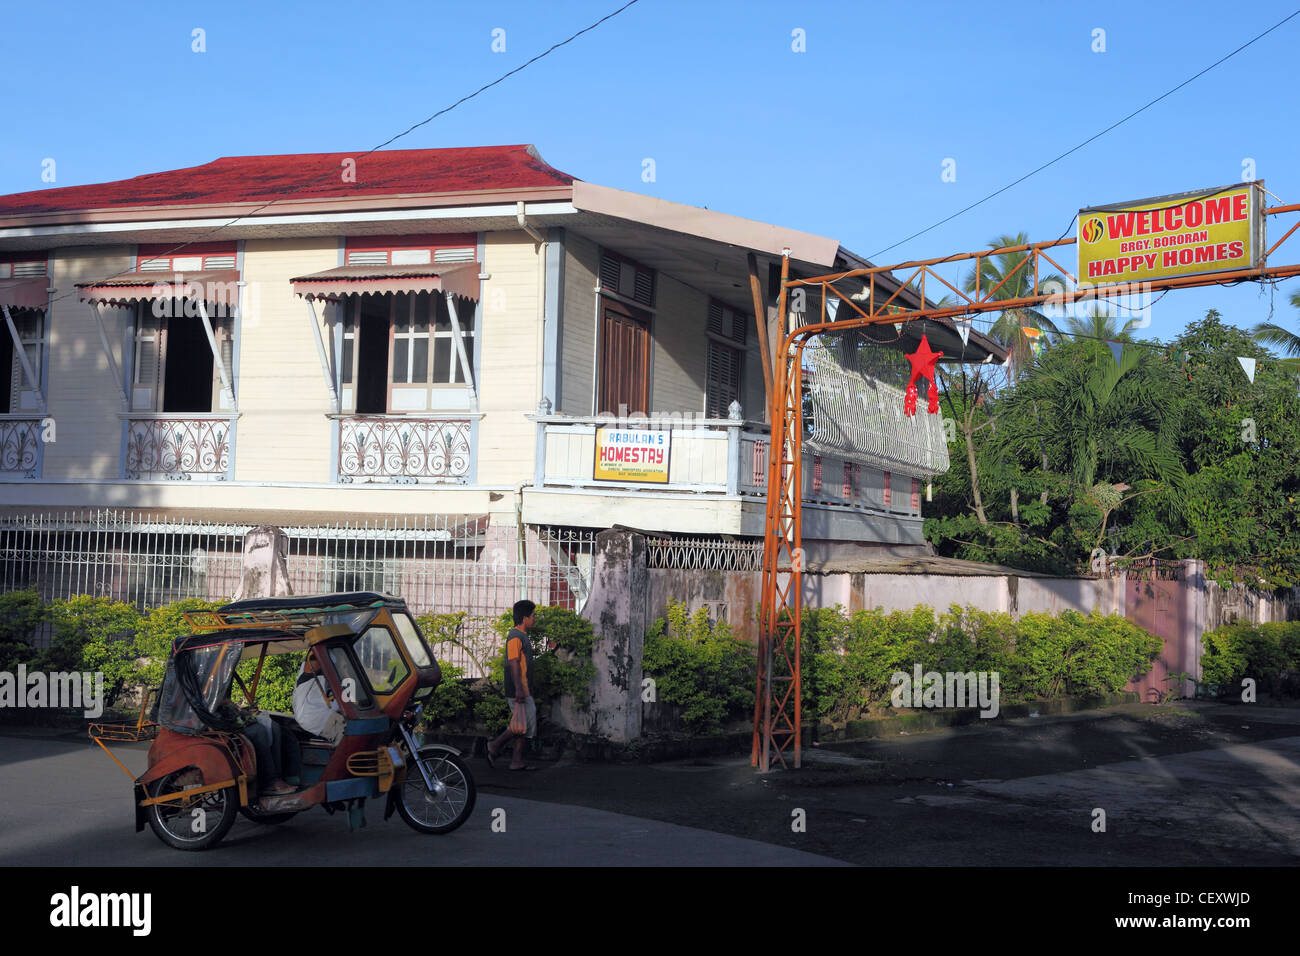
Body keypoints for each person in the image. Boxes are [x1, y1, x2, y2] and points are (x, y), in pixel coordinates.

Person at [486, 599, 538, 771]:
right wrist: (518, 689)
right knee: (523, 725)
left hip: (524, 688)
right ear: (524, 618)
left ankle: (516, 760)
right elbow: (513, 663)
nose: (534, 619)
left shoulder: (521, 636)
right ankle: (495, 745)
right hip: (519, 689)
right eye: (533, 616)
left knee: (522, 724)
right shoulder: (515, 637)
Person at [216, 696, 295, 796]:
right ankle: (270, 780)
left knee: (274, 727)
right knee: (259, 731)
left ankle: (277, 777)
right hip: (221, 724)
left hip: (230, 717)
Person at [293, 651, 346, 744]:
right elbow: (313, 663)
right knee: (349, 731)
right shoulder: (309, 671)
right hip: (315, 715)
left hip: (326, 712)